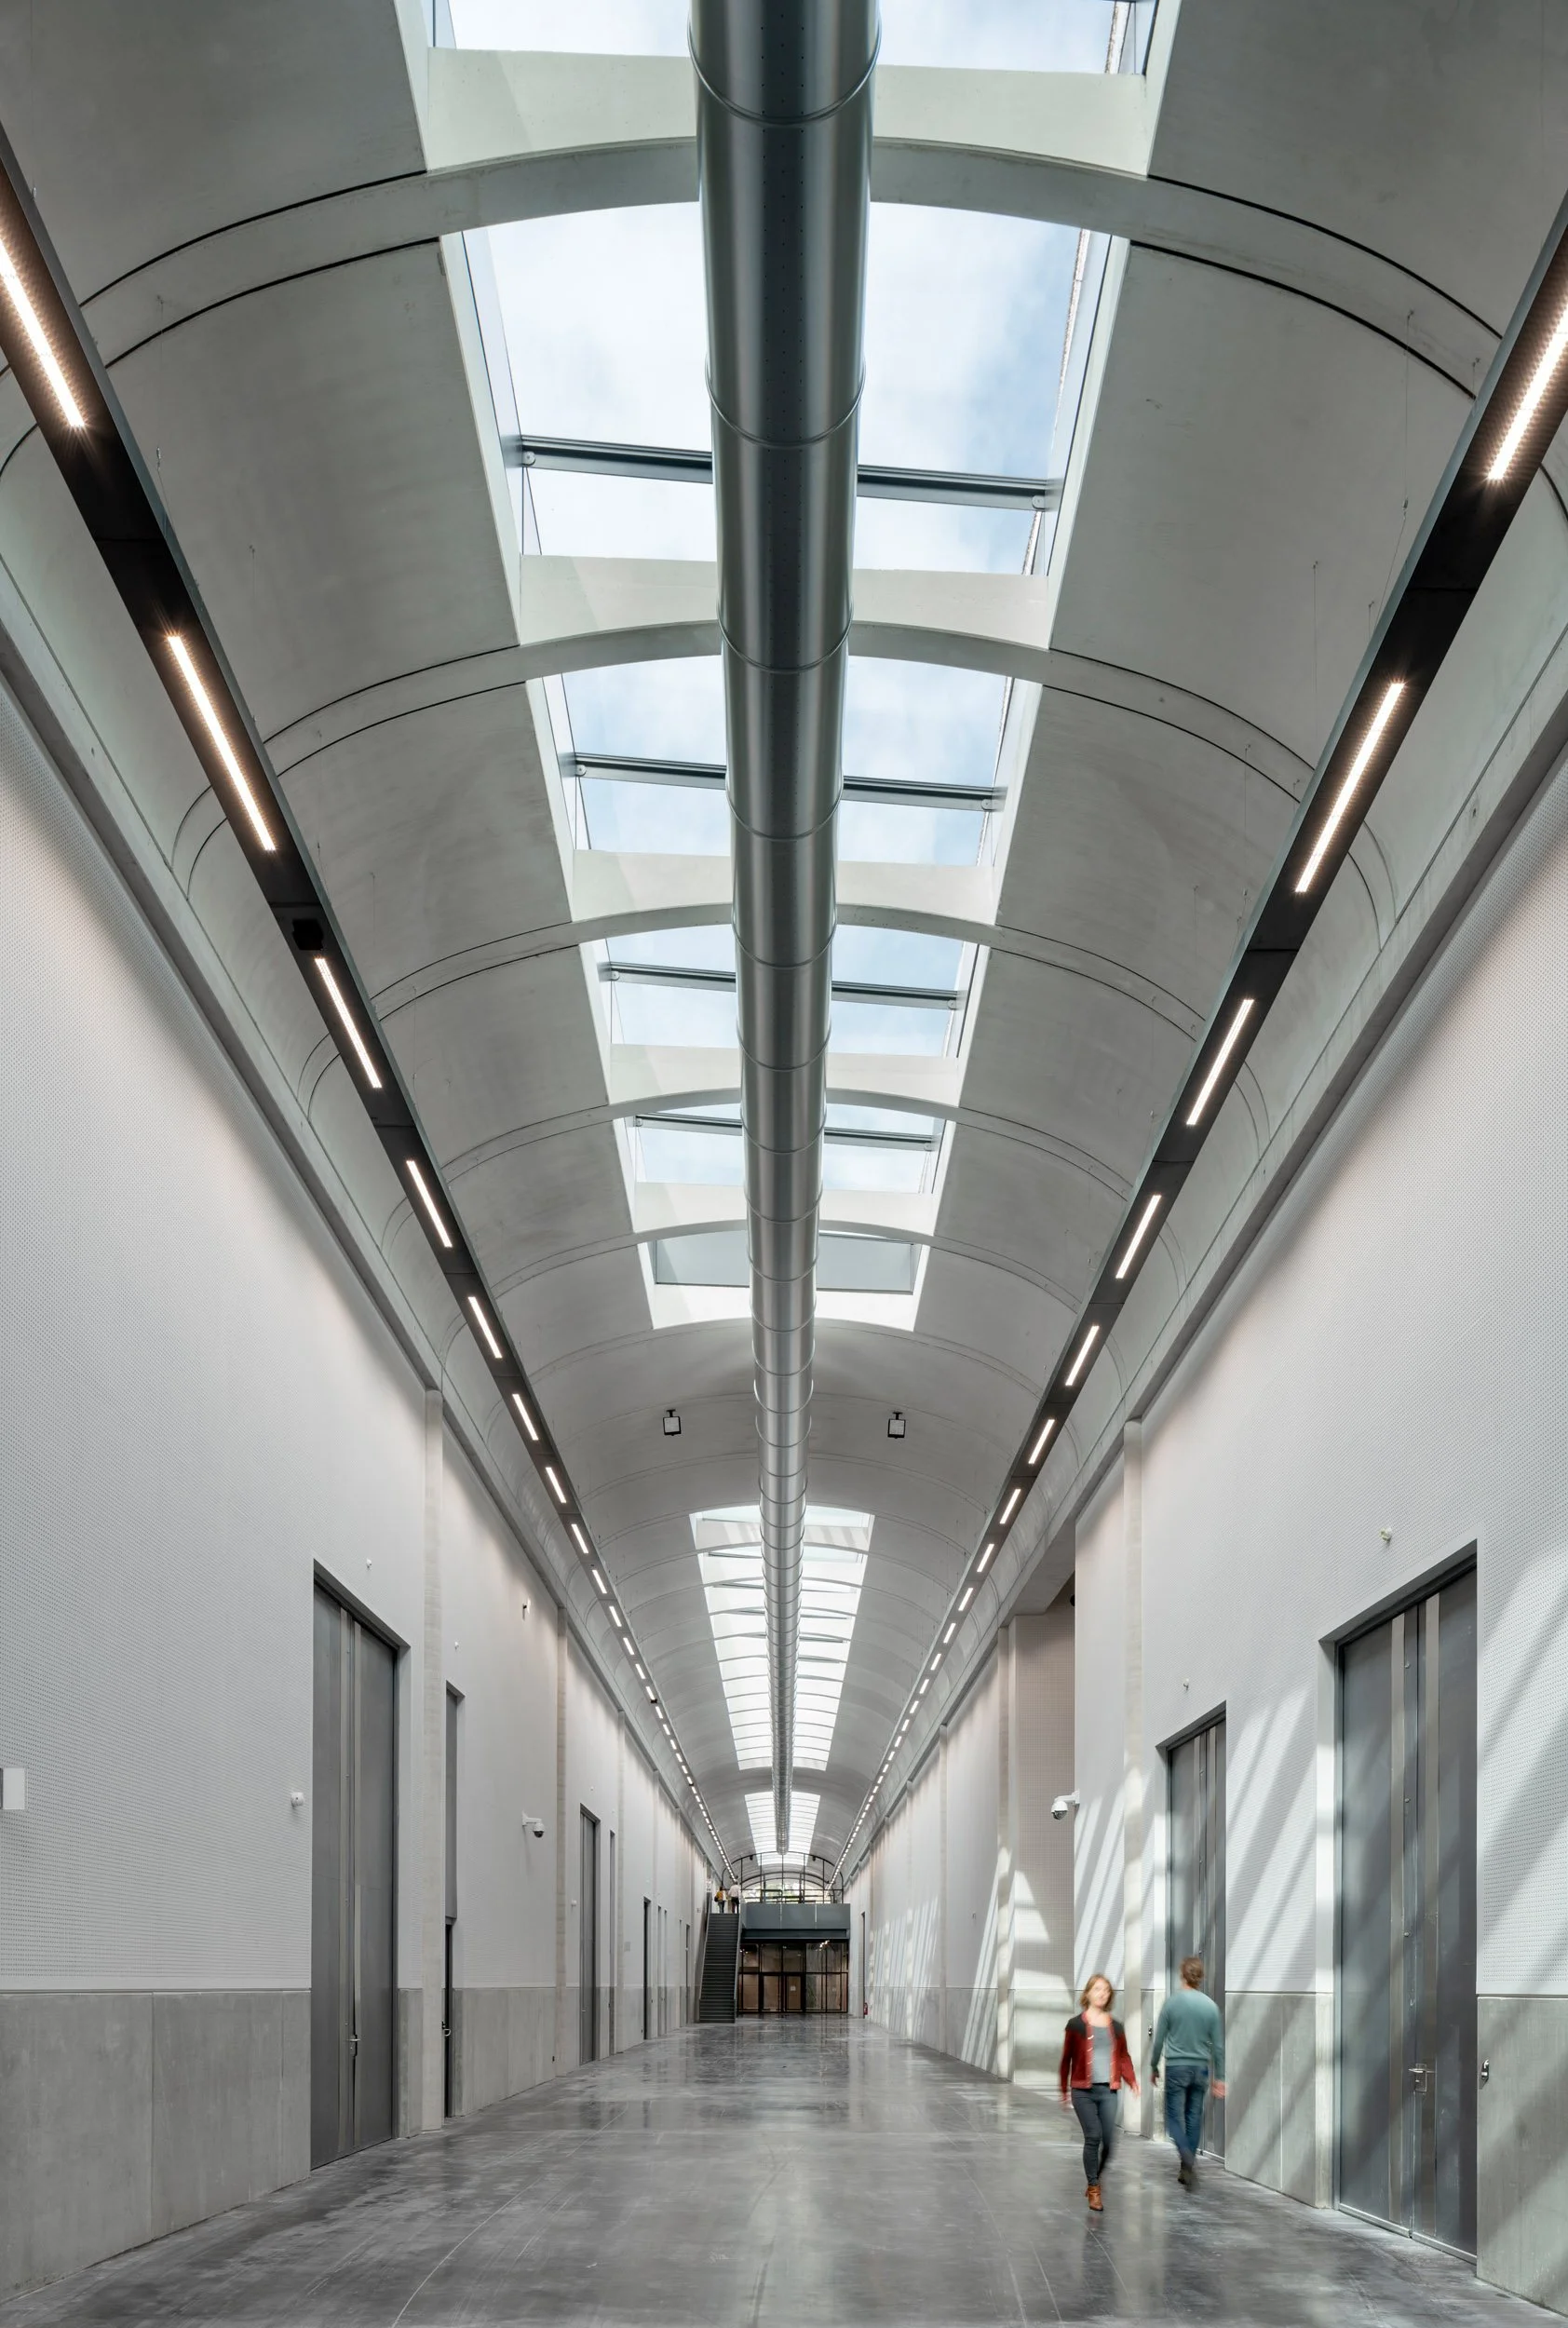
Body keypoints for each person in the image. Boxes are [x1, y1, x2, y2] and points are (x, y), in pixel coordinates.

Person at [1059, 1974, 1139, 2213]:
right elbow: (1067, 2059)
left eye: (1106, 1990)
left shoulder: (1116, 2027)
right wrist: (1064, 2089)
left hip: (1108, 2091)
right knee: (1093, 2136)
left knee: (1110, 2144)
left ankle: (1095, 2175)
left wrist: (1132, 2080)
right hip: (1083, 2091)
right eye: (1097, 1989)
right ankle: (1094, 2188)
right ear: (1088, 1994)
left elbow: (1123, 2056)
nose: (1102, 1993)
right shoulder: (1075, 2025)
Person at [1151, 1955, 1226, 2187]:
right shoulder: (1210, 2007)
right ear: (1200, 1979)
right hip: (1201, 2069)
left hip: (1176, 2067)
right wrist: (1220, 2077)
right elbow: (1219, 2046)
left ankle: (1185, 2155)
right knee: (1194, 2117)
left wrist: (1154, 2066)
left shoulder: (1172, 2003)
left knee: (1174, 2117)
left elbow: (1159, 2040)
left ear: (1182, 1975)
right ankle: (1187, 2167)